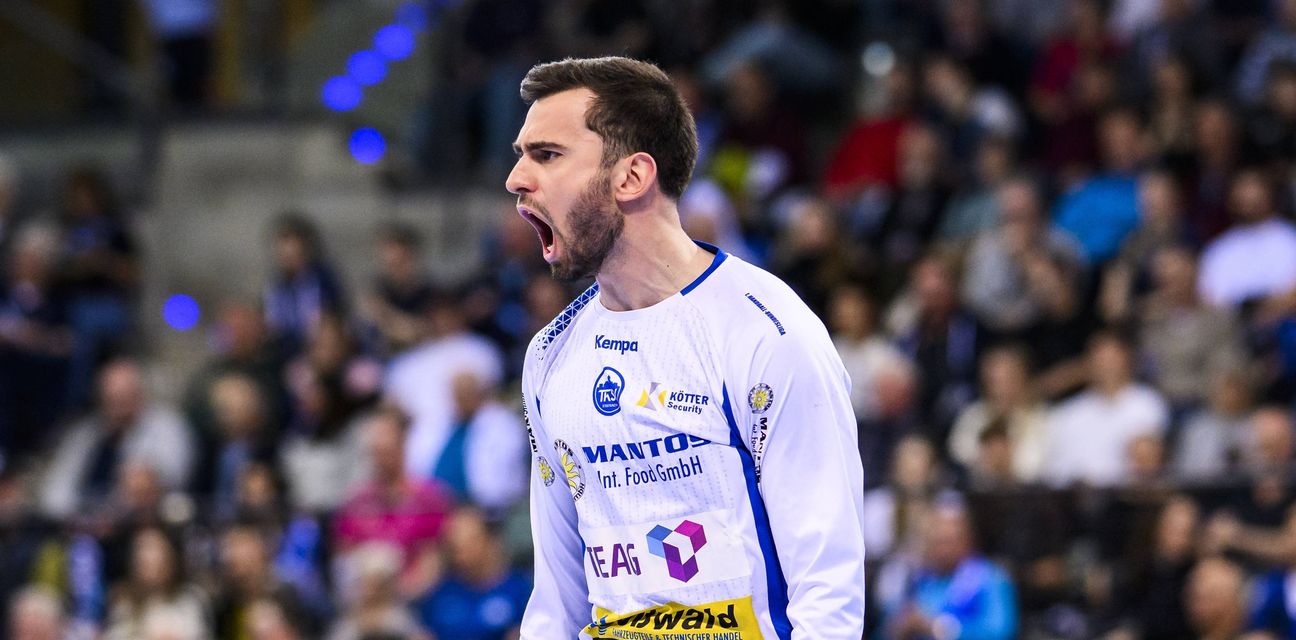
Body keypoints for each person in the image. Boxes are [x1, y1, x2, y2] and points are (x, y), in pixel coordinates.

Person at [506, 57, 865, 638]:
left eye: (546, 155)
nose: (516, 179)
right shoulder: (550, 354)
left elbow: (829, 592)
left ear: (631, 176)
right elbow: (556, 602)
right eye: (521, 155)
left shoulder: (765, 333)